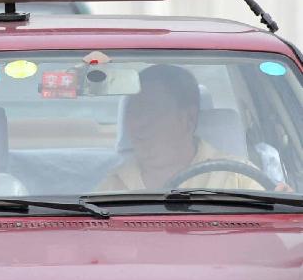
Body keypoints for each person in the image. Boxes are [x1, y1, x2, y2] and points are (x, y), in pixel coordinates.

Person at [97, 64, 263, 192]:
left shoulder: (238, 177)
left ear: (187, 119)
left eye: (150, 111)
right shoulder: (113, 184)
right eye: (132, 112)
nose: (136, 123)